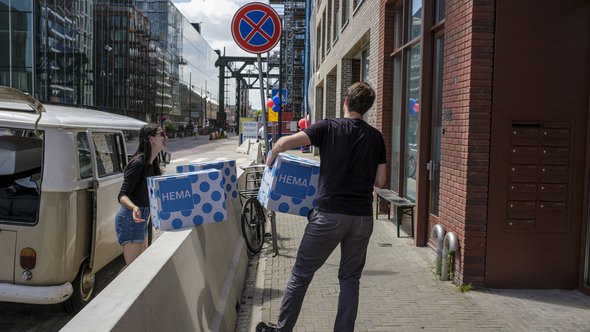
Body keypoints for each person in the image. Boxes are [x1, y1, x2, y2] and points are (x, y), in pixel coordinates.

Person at [256, 82, 387, 332]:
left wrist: (271, 156)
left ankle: (282, 329)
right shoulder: (376, 137)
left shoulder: (329, 127)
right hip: (361, 218)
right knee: (350, 279)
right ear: (367, 108)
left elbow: (285, 143)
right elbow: (380, 181)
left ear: (345, 101)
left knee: (301, 275)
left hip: (329, 216)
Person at [115, 124, 167, 267]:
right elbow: (122, 195)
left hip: (142, 218)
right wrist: (134, 208)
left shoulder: (153, 164)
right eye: (161, 134)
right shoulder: (138, 163)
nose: (165, 137)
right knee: (134, 269)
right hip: (131, 219)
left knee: (141, 266)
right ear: (151, 139)